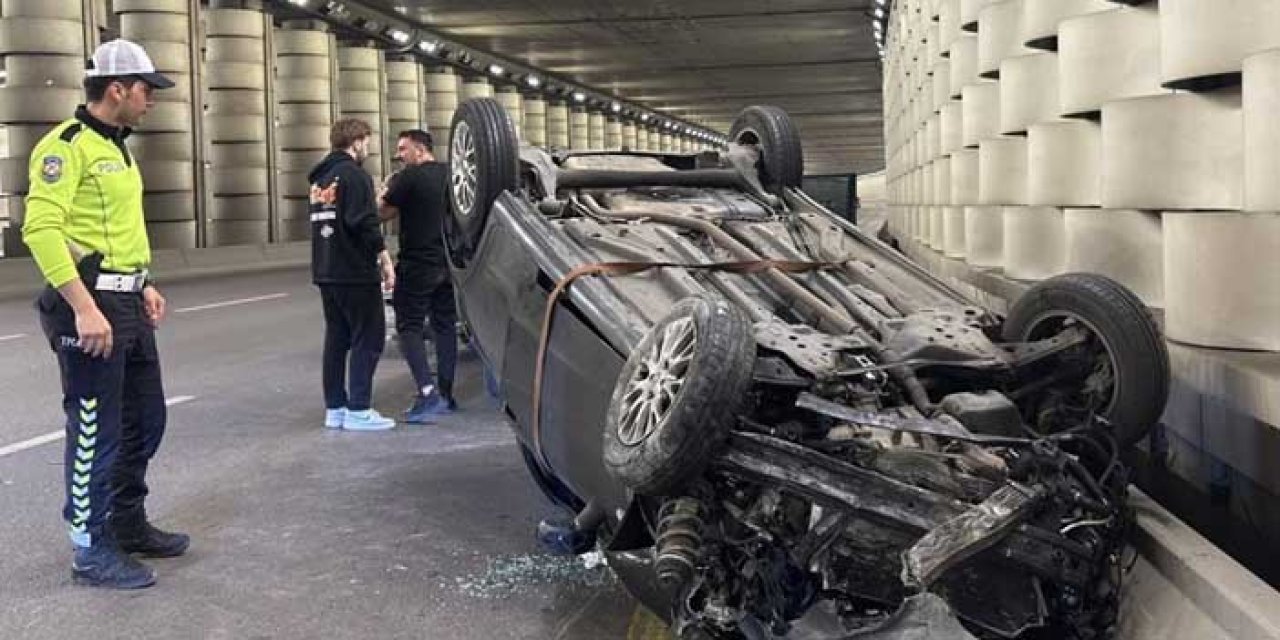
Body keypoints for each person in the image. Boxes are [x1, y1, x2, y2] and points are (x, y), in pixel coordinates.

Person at [23, 39, 188, 590]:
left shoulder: (117, 148)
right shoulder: (64, 147)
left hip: (127, 300)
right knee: (96, 431)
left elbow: (113, 232)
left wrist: (144, 282)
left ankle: (125, 522)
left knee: (146, 420)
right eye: (146, 90)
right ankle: (90, 549)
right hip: (89, 306)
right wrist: (84, 306)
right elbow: (41, 230)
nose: (152, 100)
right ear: (117, 89)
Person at [309, 118, 397, 431]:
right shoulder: (355, 176)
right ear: (356, 142)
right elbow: (364, 223)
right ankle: (359, 409)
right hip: (354, 270)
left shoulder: (319, 179)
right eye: (367, 142)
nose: (368, 148)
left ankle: (335, 408)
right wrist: (384, 259)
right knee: (368, 336)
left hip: (326, 268)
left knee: (337, 339)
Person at [378, 129, 458, 423]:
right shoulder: (451, 174)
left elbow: (381, 213)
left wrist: (383, 190)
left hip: (417, 264)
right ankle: (446, 394)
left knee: (408, 327)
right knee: (445, 326)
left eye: (403, 149)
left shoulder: (408, 178)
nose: (399, 155)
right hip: (448, 263)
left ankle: (427, 392)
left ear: (420, 149)